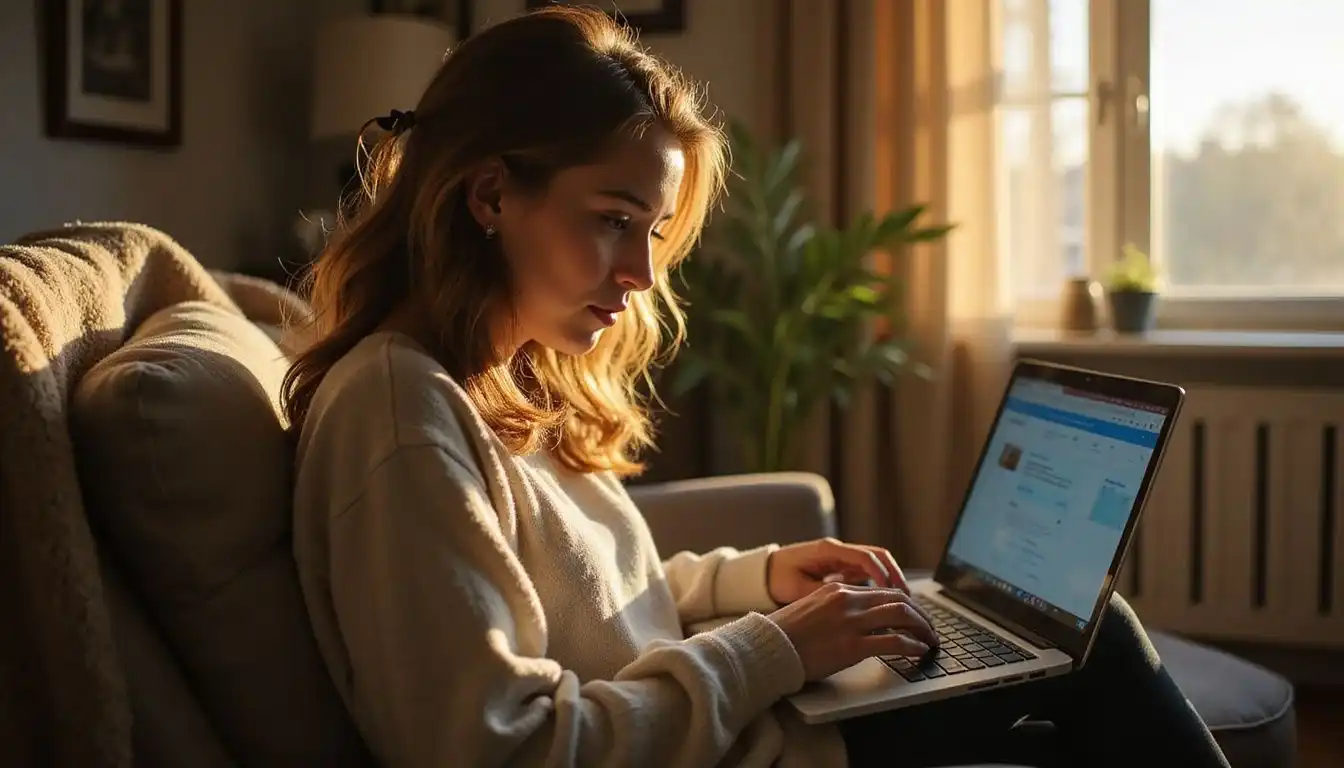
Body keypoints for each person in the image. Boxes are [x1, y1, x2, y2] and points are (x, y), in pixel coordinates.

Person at [282, 7, 1231, 767]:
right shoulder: (400, 415)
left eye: (651, 232)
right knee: (1094, 650)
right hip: (747, 746)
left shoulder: (502, 377)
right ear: (490, 195)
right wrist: (777, 648)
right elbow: (503, 748)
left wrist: (759, 579)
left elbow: (601, 611)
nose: (641, 274)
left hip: (747, 730)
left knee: (1065, 662)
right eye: (613, 219)